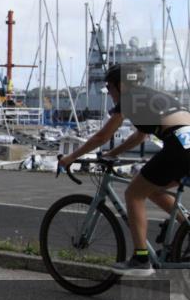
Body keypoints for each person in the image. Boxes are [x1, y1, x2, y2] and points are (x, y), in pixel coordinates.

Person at [59, 65, 190, 276]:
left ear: (121, 85)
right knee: (154, 190)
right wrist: (111, 154)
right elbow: (139, 137)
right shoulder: (150, 96)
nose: (109, 93)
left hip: (178, 147)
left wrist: (71, 157)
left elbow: (101, 136)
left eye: (109, 87)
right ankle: (187, 227)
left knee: (133, 194)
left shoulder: (130, 99)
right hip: (186, 144)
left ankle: (140, 259)